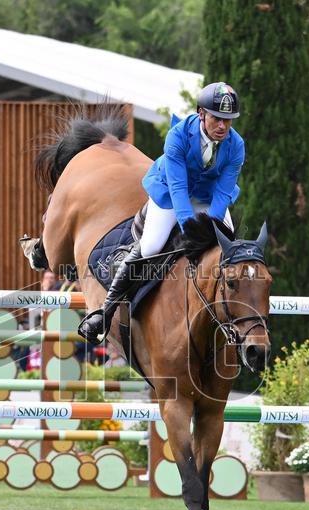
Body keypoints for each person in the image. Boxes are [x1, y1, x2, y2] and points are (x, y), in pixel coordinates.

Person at [77, 82, 245, 342]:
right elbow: (178, 188)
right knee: (151, 246)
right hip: (170, 192)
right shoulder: (178, 136)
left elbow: (223, 193)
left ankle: (234, 322)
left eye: (228, 120)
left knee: (228, 245)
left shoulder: (237, 145)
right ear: (201, 113)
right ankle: (104, 313)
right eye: (216, 118)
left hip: (208, 196)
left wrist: (209, 226)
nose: (222, 126)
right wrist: (190, 227)